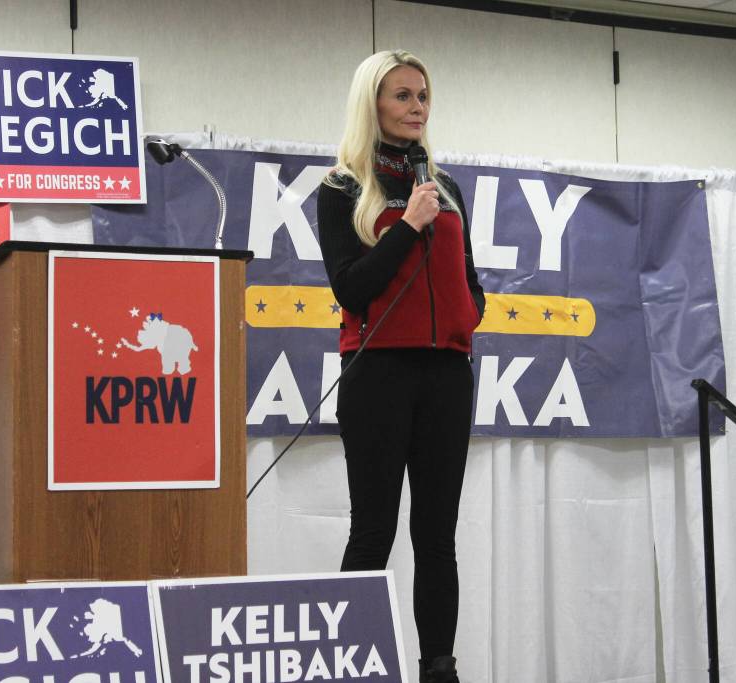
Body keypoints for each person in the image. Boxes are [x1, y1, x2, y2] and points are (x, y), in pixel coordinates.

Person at [316, 50, 484, 683]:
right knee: (374, 530)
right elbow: (351, 289)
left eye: (423, 96)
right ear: (373, 104)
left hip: (446, 375)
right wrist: (407, 226)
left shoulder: (446, 188)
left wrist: (471, 311)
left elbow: (467, 278)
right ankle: (349, 667)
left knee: (437, 537)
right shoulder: (341, 188)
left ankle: (439, 669)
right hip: (377, 374)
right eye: (403, 95)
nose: (418, 107)